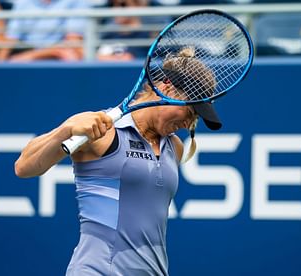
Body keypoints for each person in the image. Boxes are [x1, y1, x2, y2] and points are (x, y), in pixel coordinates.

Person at [14, 47, 222, 275]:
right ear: (166, 87)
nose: (188, 124)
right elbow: (23, 167)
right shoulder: (103, 132)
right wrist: (66, 130)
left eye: (196, 118)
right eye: (190, 111)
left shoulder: (175, 147)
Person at [0, 0, 90, 61]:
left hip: (58, 57)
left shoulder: (77, 1)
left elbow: (72, 41)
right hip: (28, 57)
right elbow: (10, 39)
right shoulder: (23, 2)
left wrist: (29, 56)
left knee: (70, 56)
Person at [97, 0, 172, 61]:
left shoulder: (150, 37)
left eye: (123, 5)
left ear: (138, 6)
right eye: (113, 5)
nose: (116, 9)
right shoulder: (108, 34)